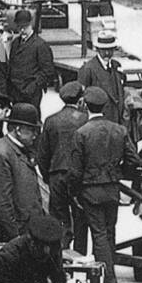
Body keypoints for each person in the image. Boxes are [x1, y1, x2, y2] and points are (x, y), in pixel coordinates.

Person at [67, 86, 141, 283]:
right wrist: (117, 172)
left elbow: (75, 170)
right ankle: (109, 278)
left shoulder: (81, 133)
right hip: (112, 190)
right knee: (110, 233)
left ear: (86, 106)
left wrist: (73, 193)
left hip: (90, 191)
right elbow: (134, 160)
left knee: (99, 235)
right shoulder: (119, 130)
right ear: (104, 106)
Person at [0, 102, 47, 245]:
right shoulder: (2, 154)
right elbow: (1, 202)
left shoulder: (15, 150)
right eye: (32, 130)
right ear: (18, 130)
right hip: (10, 237)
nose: (35, 136)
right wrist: (16, 238)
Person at [38, 81, 88, 252]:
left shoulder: (51, 121)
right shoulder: (85, 119)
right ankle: (80, 256)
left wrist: (48, 176)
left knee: (59, 217)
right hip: (79, 175)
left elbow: (42, 153)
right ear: (80, 99)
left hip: (56, 174)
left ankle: (59, 253)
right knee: (81, 217)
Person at [6, 8, 56, 109]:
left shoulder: (40, 45)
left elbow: (48, 71)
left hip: (31, 94)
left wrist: (33, 87)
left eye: (25, 27)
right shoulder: (15, 43)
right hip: (15, 92)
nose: (22, 30)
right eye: (19, 27)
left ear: (31, 25)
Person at [76, 29, 126, 124]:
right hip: (99, 121)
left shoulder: (117, 66)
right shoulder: (88, 69)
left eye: (110, 49)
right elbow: (82, 99)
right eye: (104, 50)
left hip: (117, 120)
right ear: (97, 49)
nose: (107, 53)